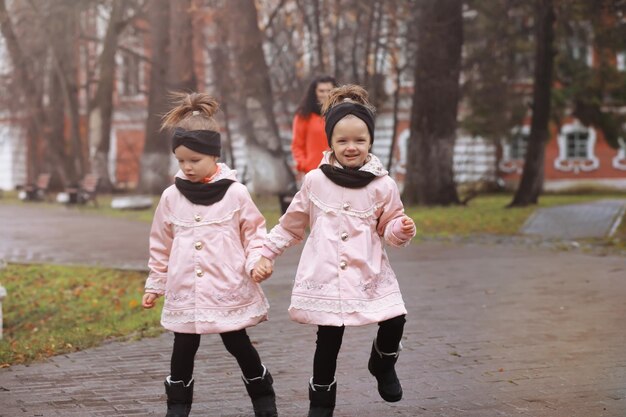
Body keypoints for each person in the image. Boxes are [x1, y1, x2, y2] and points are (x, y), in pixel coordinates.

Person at [252, 85, 416, 417]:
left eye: (359, 140)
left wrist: (400, 228)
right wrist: (266, 253)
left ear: (370, 141)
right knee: (328, 340)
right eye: (342, 141)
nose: (351, 147)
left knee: (395, 317)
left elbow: (389, 224)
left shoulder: (382, 185)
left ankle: (382, 364)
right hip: (326, 274)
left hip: (368, 271)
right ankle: (321, 402)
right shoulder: (315, 181)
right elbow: (291, 224)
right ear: (331, 143)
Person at [142, 92, 278, 417]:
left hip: (227, 287)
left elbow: (255, 233)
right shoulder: (171, 197)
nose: (187, 167)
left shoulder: (236, 193)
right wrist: (154, 284)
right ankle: (177, 405)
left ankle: (261, 390)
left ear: (214, 156)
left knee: (237, 342)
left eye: (195, 160)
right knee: (183, 347)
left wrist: (257, 260)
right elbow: (161, 244)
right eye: (181, 161)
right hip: (185, 289)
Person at [291, 75, 337, 175]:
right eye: (321, 91)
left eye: (329, 90)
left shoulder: (342, 115)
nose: (326, 94)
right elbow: (297, 145)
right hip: (313, 171)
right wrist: (304, 165)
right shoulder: (303, 115)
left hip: (338, 172)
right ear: (314, 92)